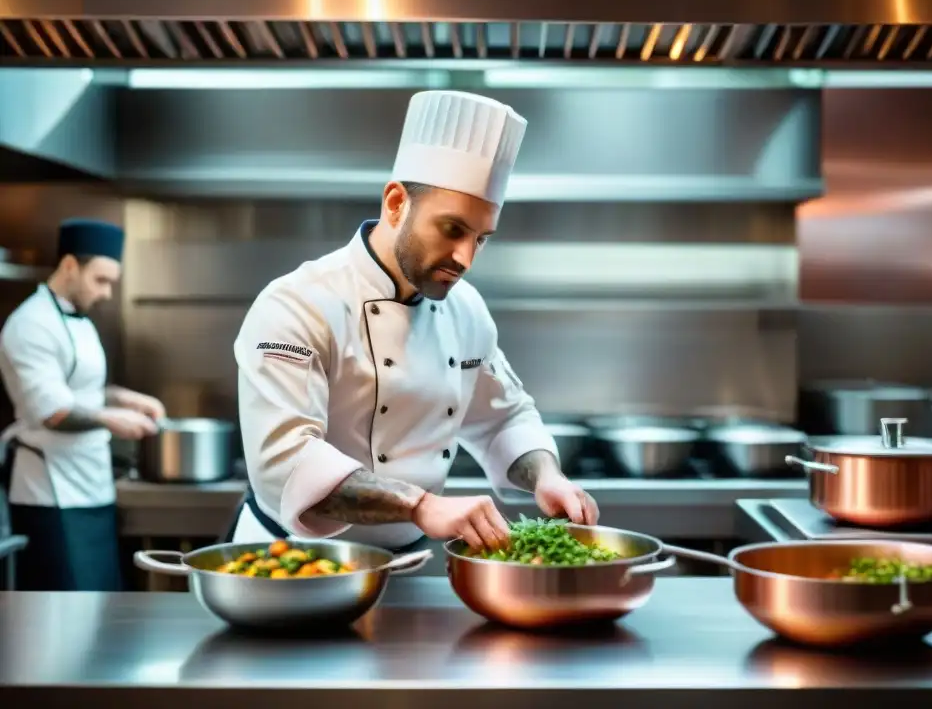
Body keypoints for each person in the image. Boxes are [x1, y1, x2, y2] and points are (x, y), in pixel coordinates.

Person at [230, 90, 598, 553]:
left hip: (407, 560)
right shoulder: (297, 305)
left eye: (481, 239)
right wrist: (422, 505)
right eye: (453, 229)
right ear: (396, 203)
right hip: (294, 562)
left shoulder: (467, 310)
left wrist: (547, 476)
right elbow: (286, 461)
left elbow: (504, 417)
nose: (465, 257)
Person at [0, 219, 166, 591]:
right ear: (71, 266)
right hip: (50, 492)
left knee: (100, 604)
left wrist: (125, 399)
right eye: (101, 280)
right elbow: (52, 412)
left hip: (90, 481)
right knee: (66, 607)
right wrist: (112, 420)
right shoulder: (31, 324)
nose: (107, 293)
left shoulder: (80, 319)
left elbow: (81, 389)